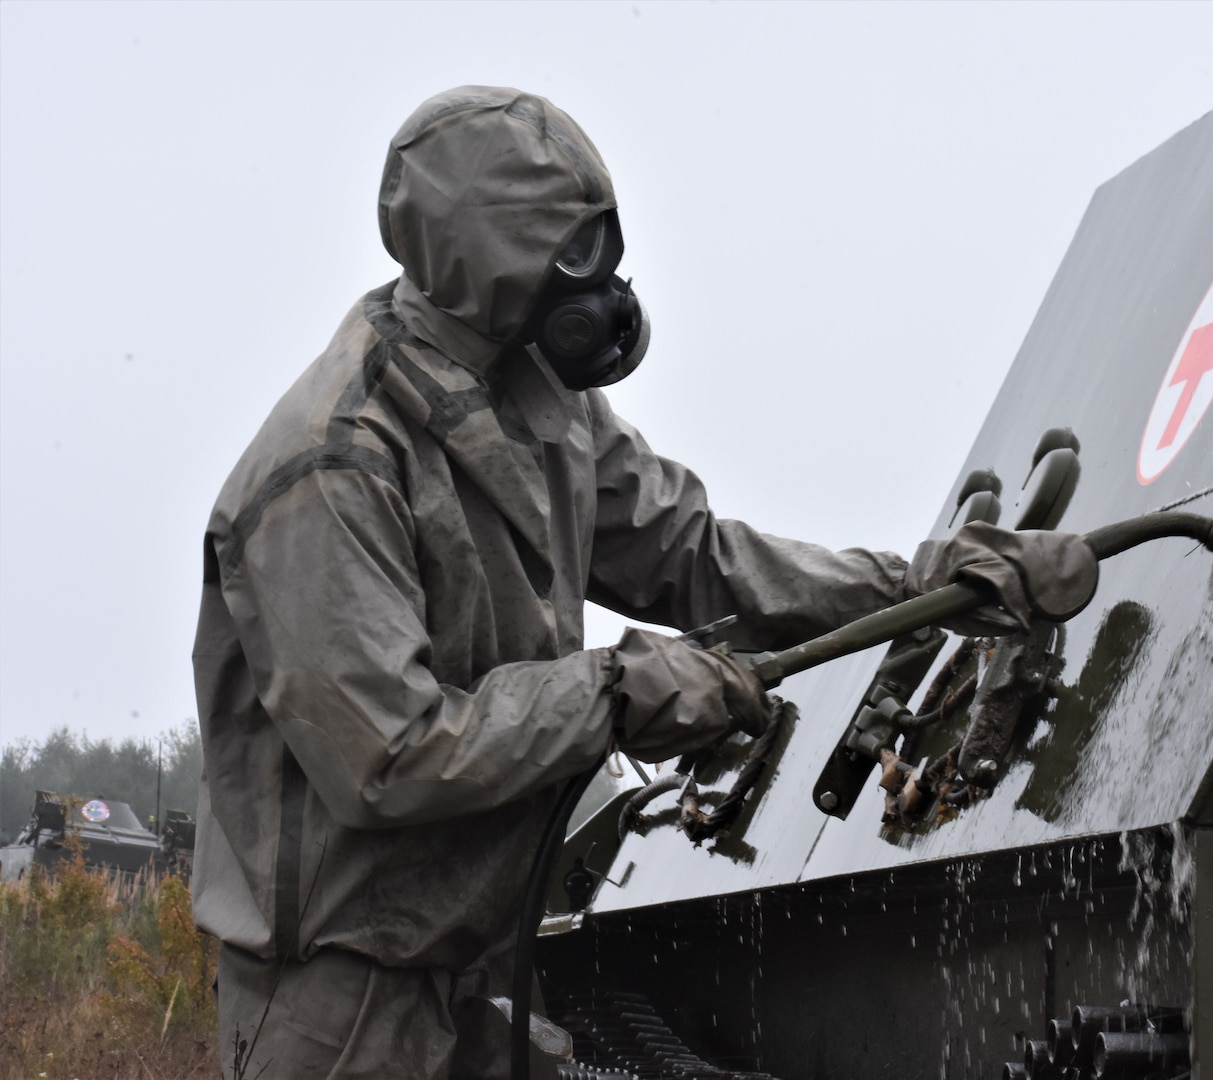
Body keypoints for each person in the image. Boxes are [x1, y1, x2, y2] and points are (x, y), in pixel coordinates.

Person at [191, 85, 1097, 1079]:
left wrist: (923, 585)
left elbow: (697, 556)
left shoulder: (542, 402)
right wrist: (620, 692)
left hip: (475, 959)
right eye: (567, 251)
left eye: (600, 244)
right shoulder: (331, 466)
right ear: (483, 256)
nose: (599, 281)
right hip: (343, 997)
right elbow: (389, 758)